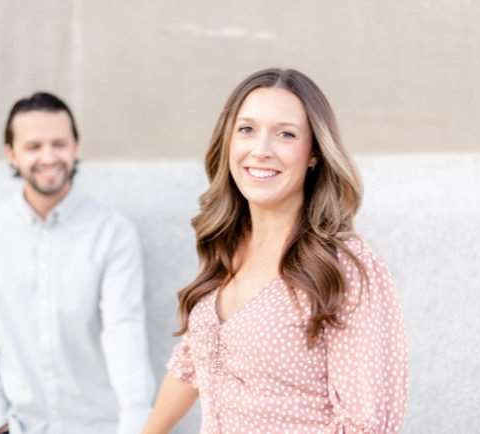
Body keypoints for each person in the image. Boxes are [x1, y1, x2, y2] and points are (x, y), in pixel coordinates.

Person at [143, 68, 408, 433]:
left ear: (313, 152)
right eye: (247, 129)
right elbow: (192, 360)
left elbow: (367, 424)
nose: (261, 150)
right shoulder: (226, 246)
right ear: (229, 141)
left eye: (285, 134)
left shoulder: (343, 266)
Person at [0, 92, 155, 434]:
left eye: (59, 143)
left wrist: (136, 423)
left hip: (102, 426)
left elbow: (124, 331)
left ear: (75, 147)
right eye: (33, 147)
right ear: (12, 155)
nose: (49, 157)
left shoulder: (113, 233)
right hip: (21, 427)